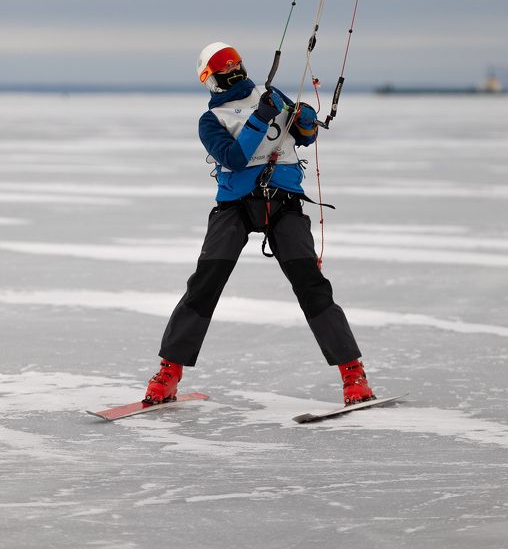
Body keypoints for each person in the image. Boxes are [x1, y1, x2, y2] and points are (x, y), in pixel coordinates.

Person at [143, 42, 374, 406]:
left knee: (312, 286)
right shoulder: (211, 121)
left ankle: (353, 373)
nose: (231, 77)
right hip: (234, 208)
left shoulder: (272, 95)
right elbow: (234, 159)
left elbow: (304, 136)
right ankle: (169, 372)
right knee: (204, 285)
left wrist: (306, 120)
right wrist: (260, 118)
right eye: (226, 73)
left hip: (283, 204)